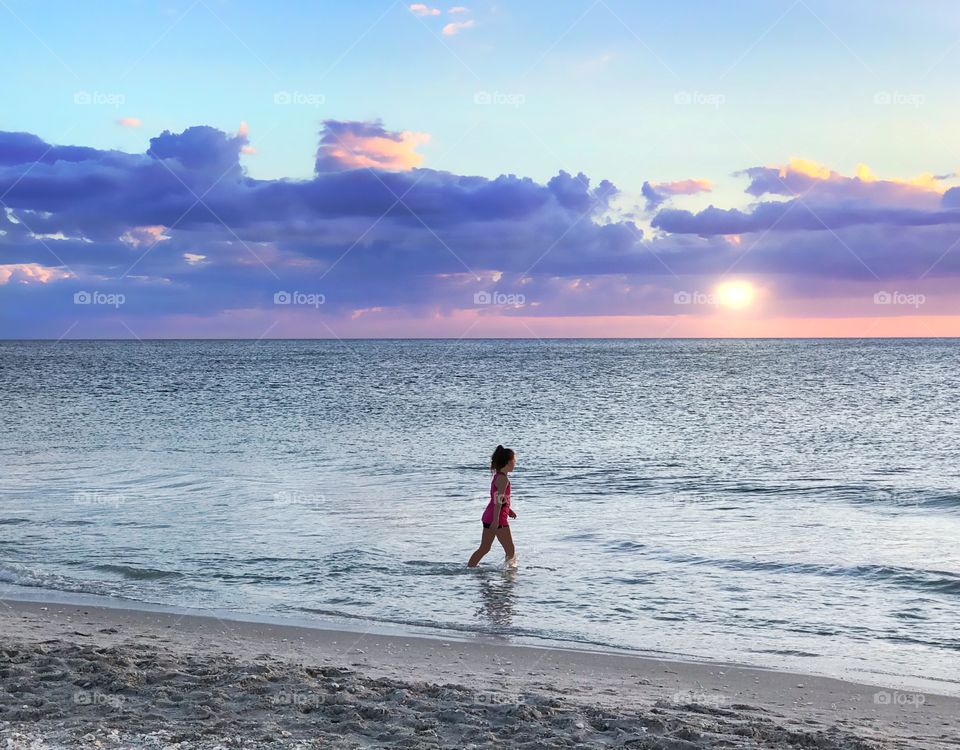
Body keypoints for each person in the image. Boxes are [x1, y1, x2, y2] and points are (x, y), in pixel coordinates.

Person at [467, 445, 518, 567]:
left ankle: (469, 568)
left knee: (484, 548)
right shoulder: (503, 479)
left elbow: (498, 498)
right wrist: (496, 520)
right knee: (510, 550)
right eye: (514, 461)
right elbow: (498, 501)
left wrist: (509, 510)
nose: (515, 464)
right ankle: (509, 575)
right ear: (508, 462)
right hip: (497, 519)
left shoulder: (498, 476)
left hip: (489, 517)